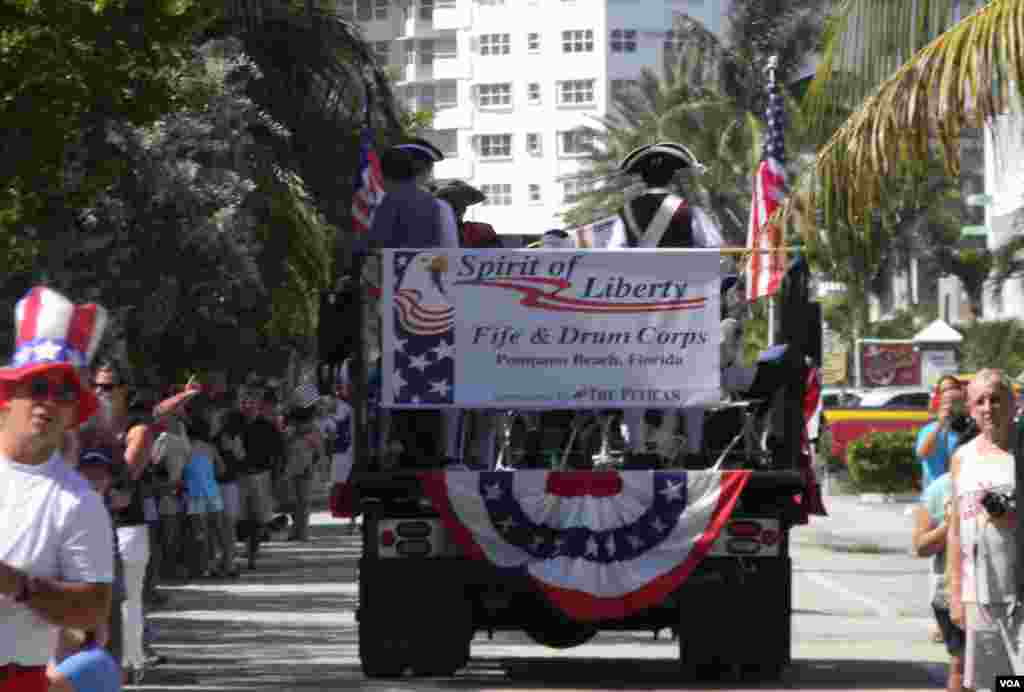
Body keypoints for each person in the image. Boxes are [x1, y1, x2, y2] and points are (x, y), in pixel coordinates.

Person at [0, 286, 115, 692]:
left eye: (63, 392)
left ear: (72, 412)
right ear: (8, 395)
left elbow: (92, 608)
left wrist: (15, 584)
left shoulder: (79, 502)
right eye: (38, 387)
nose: (49, 402)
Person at [609, 142, 723, 467]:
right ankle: (695, 449)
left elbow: (613, 259)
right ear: (674, 177)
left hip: (638, 311)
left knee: (635, 378)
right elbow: (716, 256)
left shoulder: (626, 213)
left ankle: (637, 449)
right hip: (686, 309)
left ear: (641, 179)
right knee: (690, 375)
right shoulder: (690, 211)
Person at [948, 369, 1019, 691]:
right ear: (971, 409)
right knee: (996, 683)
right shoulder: (962, 458)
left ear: (1012, 403)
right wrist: (955, 594)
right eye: (980, 401)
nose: (989, 407)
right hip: (980, 596)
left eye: (996, 399)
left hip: (1019, 593)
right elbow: (954, 531)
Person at [913, 472, 964, 692]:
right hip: (954, 591)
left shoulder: (1011, 476)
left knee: (1009, 669)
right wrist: (950, 524)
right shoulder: (941, 487)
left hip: (1007, 590)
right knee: (961, 664)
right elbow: (921, 547)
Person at [182, 416, 234, 578]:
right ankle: (227, 565)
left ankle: (205, 567)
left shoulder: (185, 448)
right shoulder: (210, 448)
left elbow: (181, 472)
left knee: (200, 533)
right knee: (219, 531)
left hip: (194, 495)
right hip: (212, 492)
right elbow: (222, 469)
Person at [238, 389, 284, 569]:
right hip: (240, 477)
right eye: (245, 402)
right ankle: (247, 549)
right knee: (242, 518)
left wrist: (277, 478)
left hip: (261, 476)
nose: (248, 406)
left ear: (258, 406)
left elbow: (278, 453)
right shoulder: (235, 424)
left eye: (251, 403)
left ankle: (252, 555)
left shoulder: (267, 427)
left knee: (257, 519)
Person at [280, 384, 325, 542]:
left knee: (299, 501)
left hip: (300, 464)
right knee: (299, 501)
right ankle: (299, 531)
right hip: (299, 464)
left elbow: (319, 448)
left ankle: (299, 531)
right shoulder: (298, 425)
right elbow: (319, 448)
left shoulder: (302, 425)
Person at [917, 376, 968, 490]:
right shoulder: (929, 430)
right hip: (935, 493)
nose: (950, 393)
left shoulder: (969, 429)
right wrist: (940, 425)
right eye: (944, 391)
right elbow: (922, 454)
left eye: (953, 388)